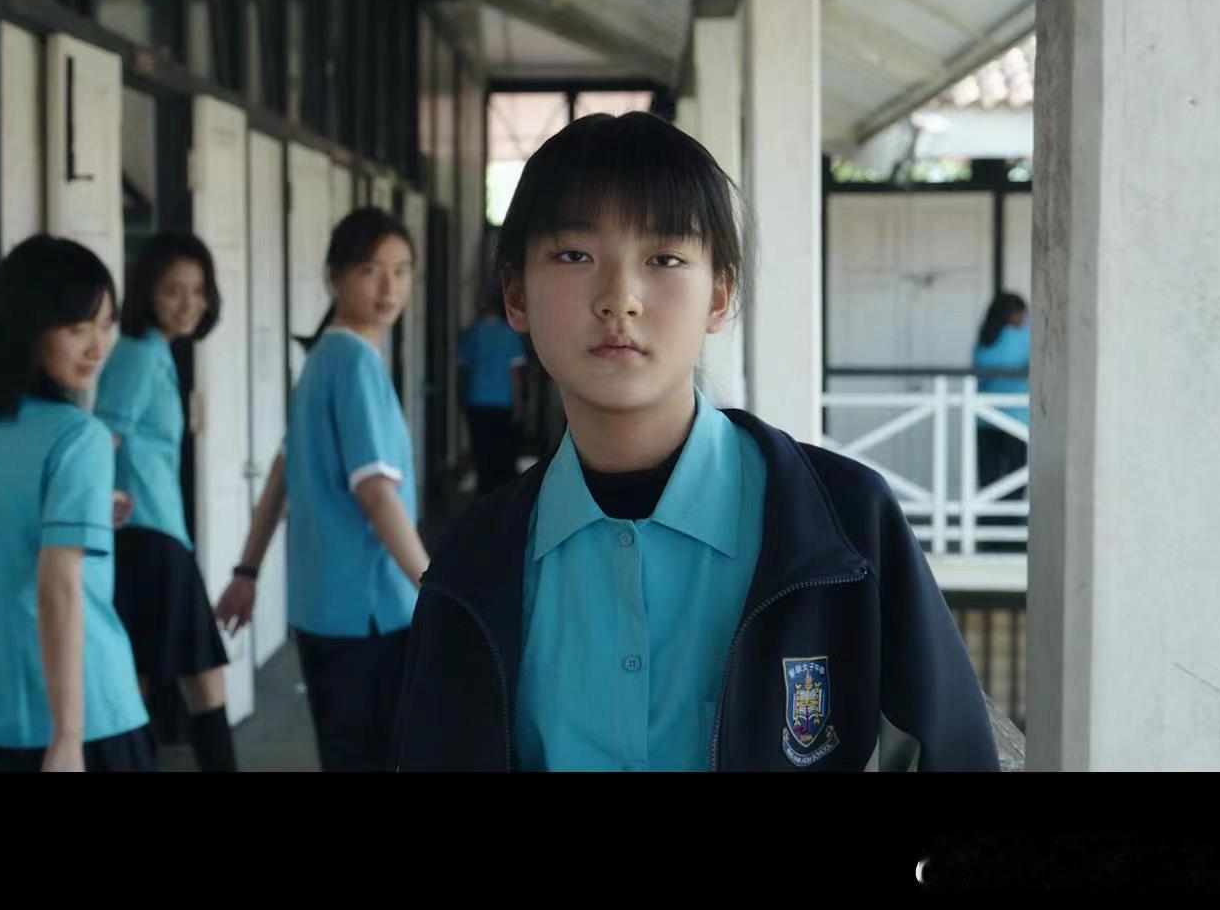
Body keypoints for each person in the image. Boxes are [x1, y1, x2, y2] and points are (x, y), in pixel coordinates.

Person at [392, 113, 999, 771]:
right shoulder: (472, 563)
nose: (619, 299)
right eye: (574, 256)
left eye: (664, 259)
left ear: (719, 295)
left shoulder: (847, 529)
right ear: (516, 296)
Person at [0, 235, 155, 772]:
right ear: (27, 329)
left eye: (106, 324)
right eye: (78, 328)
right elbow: (58, 587)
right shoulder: (79, 436)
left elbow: (4, 522)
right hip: (82, 710)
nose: (99, 346)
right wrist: (67, 736)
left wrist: (88, 506)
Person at [214, 208, 427, 772]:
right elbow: (376, 493)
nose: (389, 287)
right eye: (370, 270)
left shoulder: (320, 361)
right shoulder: (354, 363)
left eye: (402, 270)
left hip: (320, 607)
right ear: (335, 278)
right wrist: (433, 587)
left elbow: (281, 474)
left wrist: (247, 571)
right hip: (370, 610)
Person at [94, 233, 237, 772]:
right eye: (173, 290)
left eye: (198, 291)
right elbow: (104, 439)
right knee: (192, 681)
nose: (188, 303)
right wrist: (93, 508)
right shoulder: (138, 354)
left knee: (154, 683)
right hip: (148, 539)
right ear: (147, 291)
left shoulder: (156, 352)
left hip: (156, 535)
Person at [458, 292, 528, 494]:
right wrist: (518, 405)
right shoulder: (510, 335)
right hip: (503, 402)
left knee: (482, 452)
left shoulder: (471, 334)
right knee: (502, 452)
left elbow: (462, 371)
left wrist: (462, 397)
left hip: (476, 399)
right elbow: (515, 376)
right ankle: (502, 494)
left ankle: (484, 492)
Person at [972, 292, 1031, 497]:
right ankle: (1009, 517)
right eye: (1024, 314)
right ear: (1014, 314)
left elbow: (979, 377)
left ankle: (989, 517)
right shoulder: (1024, 338)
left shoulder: (985, 339)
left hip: (984, 418)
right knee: (1016, 480)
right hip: (1016, 419)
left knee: (989, 479)